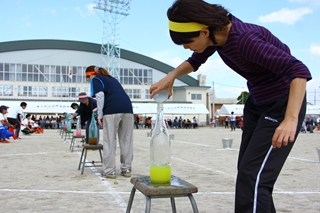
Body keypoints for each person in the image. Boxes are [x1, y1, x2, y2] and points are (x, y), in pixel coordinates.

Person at [149, 1, 312, 212]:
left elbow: (298, 70)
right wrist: (171, 76)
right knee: (248, 174)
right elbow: (196, 60)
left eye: (186, 42)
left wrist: (291, 119)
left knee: (253, 177)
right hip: (257, 102)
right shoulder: (216, 38)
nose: (186, 47)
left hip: (282, 104)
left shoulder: (245, 40)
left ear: (204, 31)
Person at [86, 65, 134, 179]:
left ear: (91, 74)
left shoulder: (96, 79)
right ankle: (126, 169)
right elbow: (113, 96)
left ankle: (109, 170)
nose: (88, 79)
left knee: (109, 140)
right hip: (127, 109)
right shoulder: (112, 79)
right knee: (126, 140)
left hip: (111, 111)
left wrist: (100, 115)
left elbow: (100, 96)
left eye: (87, 77)